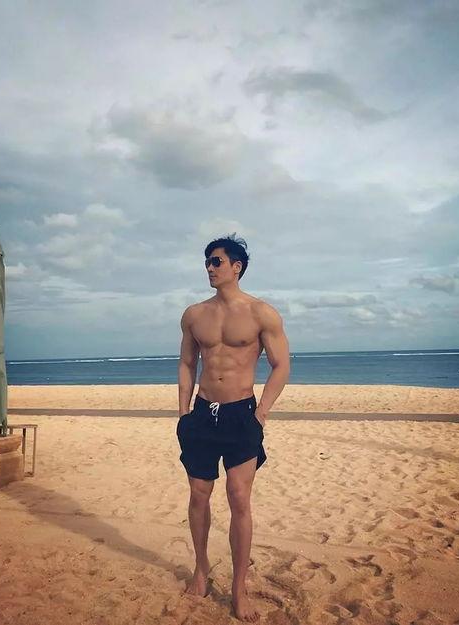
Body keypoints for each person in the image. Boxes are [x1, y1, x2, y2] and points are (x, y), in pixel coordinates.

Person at [176, 234, 290, 622]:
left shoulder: (261, 313)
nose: (209, 267)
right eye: (207, 261)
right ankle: (201, 570)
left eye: (217, 261)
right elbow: (187, 363)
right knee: (198, 495)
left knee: (239, 497)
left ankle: (239, 590)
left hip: (242, 414)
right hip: (201, 414)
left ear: (236, 267)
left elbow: (281, 365)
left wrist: (262, 412)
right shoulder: (194, 315)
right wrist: (183, 412)